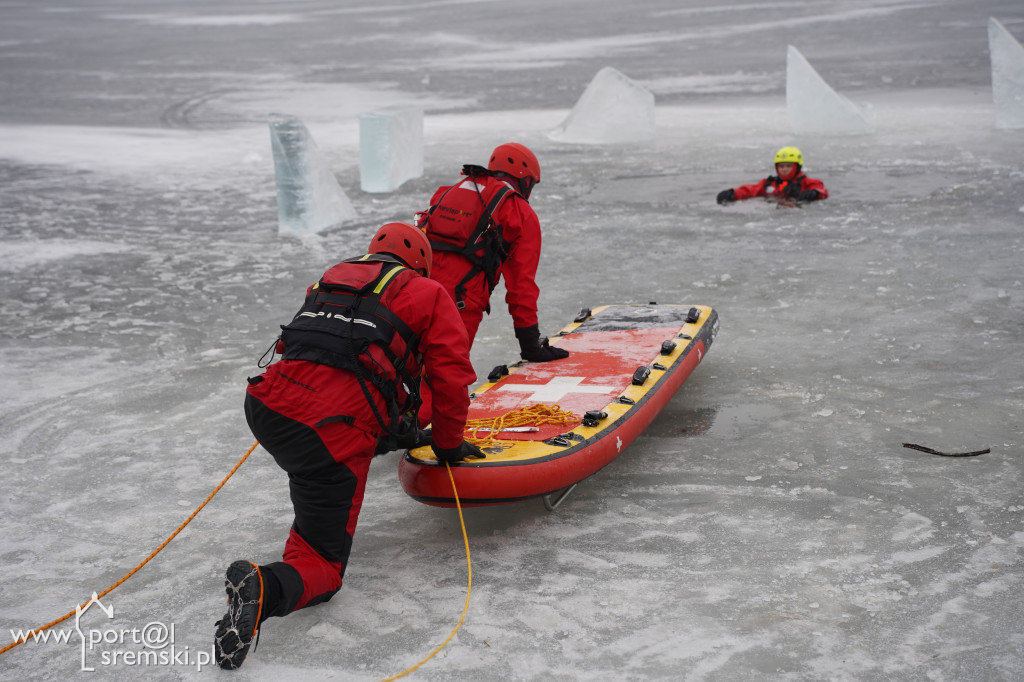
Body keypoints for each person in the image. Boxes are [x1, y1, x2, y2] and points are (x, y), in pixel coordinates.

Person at [213, 222, 485, 670]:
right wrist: (449, 445)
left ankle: (308, 524)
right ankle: (265, 588)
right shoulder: (430, 293)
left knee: (318, 474)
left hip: (266, 406)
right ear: (420, 263)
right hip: (327, 429)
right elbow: (451, 380)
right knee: (323, 566)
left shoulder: (332, 277)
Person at [415, 142, 569, 363]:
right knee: (445, 375)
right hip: (459, 304)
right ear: (524, 180)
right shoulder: (518, 212)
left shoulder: (446, 193)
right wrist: (531, 347)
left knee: (406, 372)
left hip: (415, 292)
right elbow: (521, 286)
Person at [716, 146, 829, 206]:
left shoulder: (807, 182)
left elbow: (821, 189)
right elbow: (751, 190)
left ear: (797, 167)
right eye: (781, 166)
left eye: (789, 166)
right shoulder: (769, 183)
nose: (784, 169)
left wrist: (814, 193)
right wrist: (733, 193)